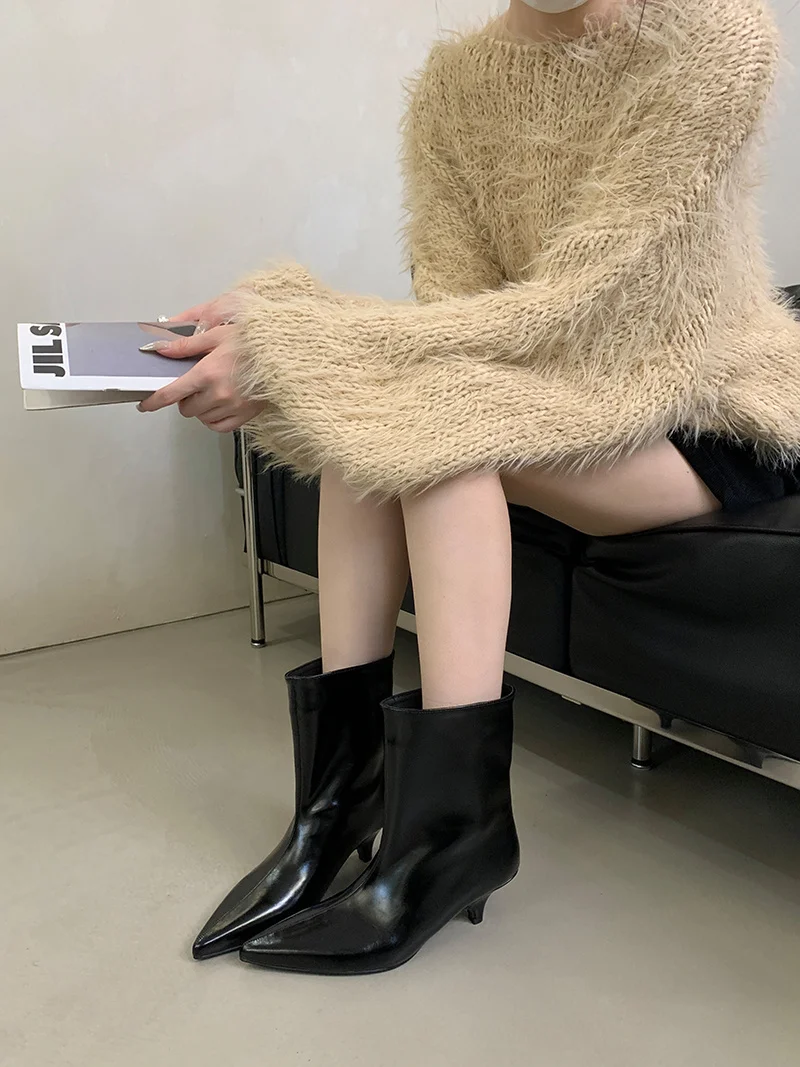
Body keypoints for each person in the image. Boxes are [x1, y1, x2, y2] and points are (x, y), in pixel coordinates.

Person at [138, 0, 800, 975]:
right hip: (556, 392)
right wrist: (306, 337)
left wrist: (303, 335)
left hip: (702, 404)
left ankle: (450, 836)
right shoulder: (454, 85)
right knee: (370, 420)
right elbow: (463, 314)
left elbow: (592, 301)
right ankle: (336, 809)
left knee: (429, 428)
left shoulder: (715, 36)